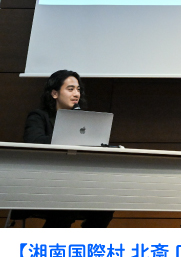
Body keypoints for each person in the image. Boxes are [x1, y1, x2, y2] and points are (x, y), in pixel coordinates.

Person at [18, 70, 114, 228]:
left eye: (78, 90)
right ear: (54, 93)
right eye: (70, 89)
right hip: (44, 183)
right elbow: (33, 141)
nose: (76, 94)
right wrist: (68, 136)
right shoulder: (39, 116)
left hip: (77, 183)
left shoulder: (85, 121)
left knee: (105, 207)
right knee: (66, 205)